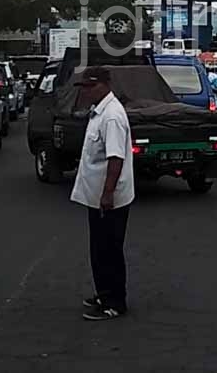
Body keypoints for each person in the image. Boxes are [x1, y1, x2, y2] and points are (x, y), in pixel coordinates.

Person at [70, 66, 134, 321]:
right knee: (98, 249)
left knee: (109, 250)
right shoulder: (99, 112)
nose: (85, 92)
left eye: (89, 86)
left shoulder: (112, 117)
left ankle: (114, 302)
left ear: (104, 86)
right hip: (96, 196)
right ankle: (103, 292)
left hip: (109, 199)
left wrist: (107, 194)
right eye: (83, 87)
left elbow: (115, 158)